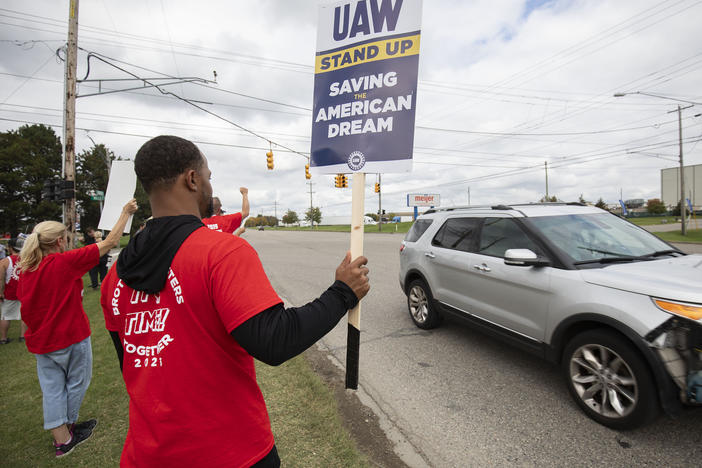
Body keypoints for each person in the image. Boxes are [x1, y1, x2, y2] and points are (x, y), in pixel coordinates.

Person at [100, 135, 369, 468]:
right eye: (209, 177)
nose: (210, 186)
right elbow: (274, 341)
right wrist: (342, 292)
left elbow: (130, 362)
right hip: (231, 452)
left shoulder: (115, 277)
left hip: (147, 454)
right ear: (192, 179)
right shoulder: (222, 252)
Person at [18, 199, 138, 457]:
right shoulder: (64, 262)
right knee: (76, 384)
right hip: (70, 337)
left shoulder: (27, 269)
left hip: (42, 342)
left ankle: (61, 435)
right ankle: (66, 431)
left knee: (52, 389)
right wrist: (125, 212)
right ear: (59, 241)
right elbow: (109, 243)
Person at [0, 238, 27, 344]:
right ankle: (23, 336)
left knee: (5, 315)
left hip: (9, 293)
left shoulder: (4, 261)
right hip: (24, 291)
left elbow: (1, 279)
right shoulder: (27, 259)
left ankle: (3, 338)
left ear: (10, 248)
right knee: (24, 315)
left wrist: (1, 292)